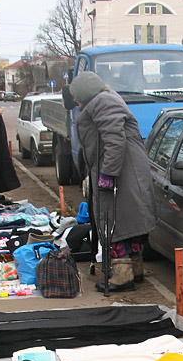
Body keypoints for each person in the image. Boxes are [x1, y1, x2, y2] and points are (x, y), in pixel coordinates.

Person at [64, 71, 156, 292]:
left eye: (77, 97)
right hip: (125, 171)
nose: (76, 102)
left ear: (85, 93)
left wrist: (108, 173)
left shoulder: (103, 101)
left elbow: (114, 138)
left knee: (113, 220)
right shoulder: (105, 99)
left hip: (122, 173)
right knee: (127, 221)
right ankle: (135, 268)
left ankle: (123, 275)